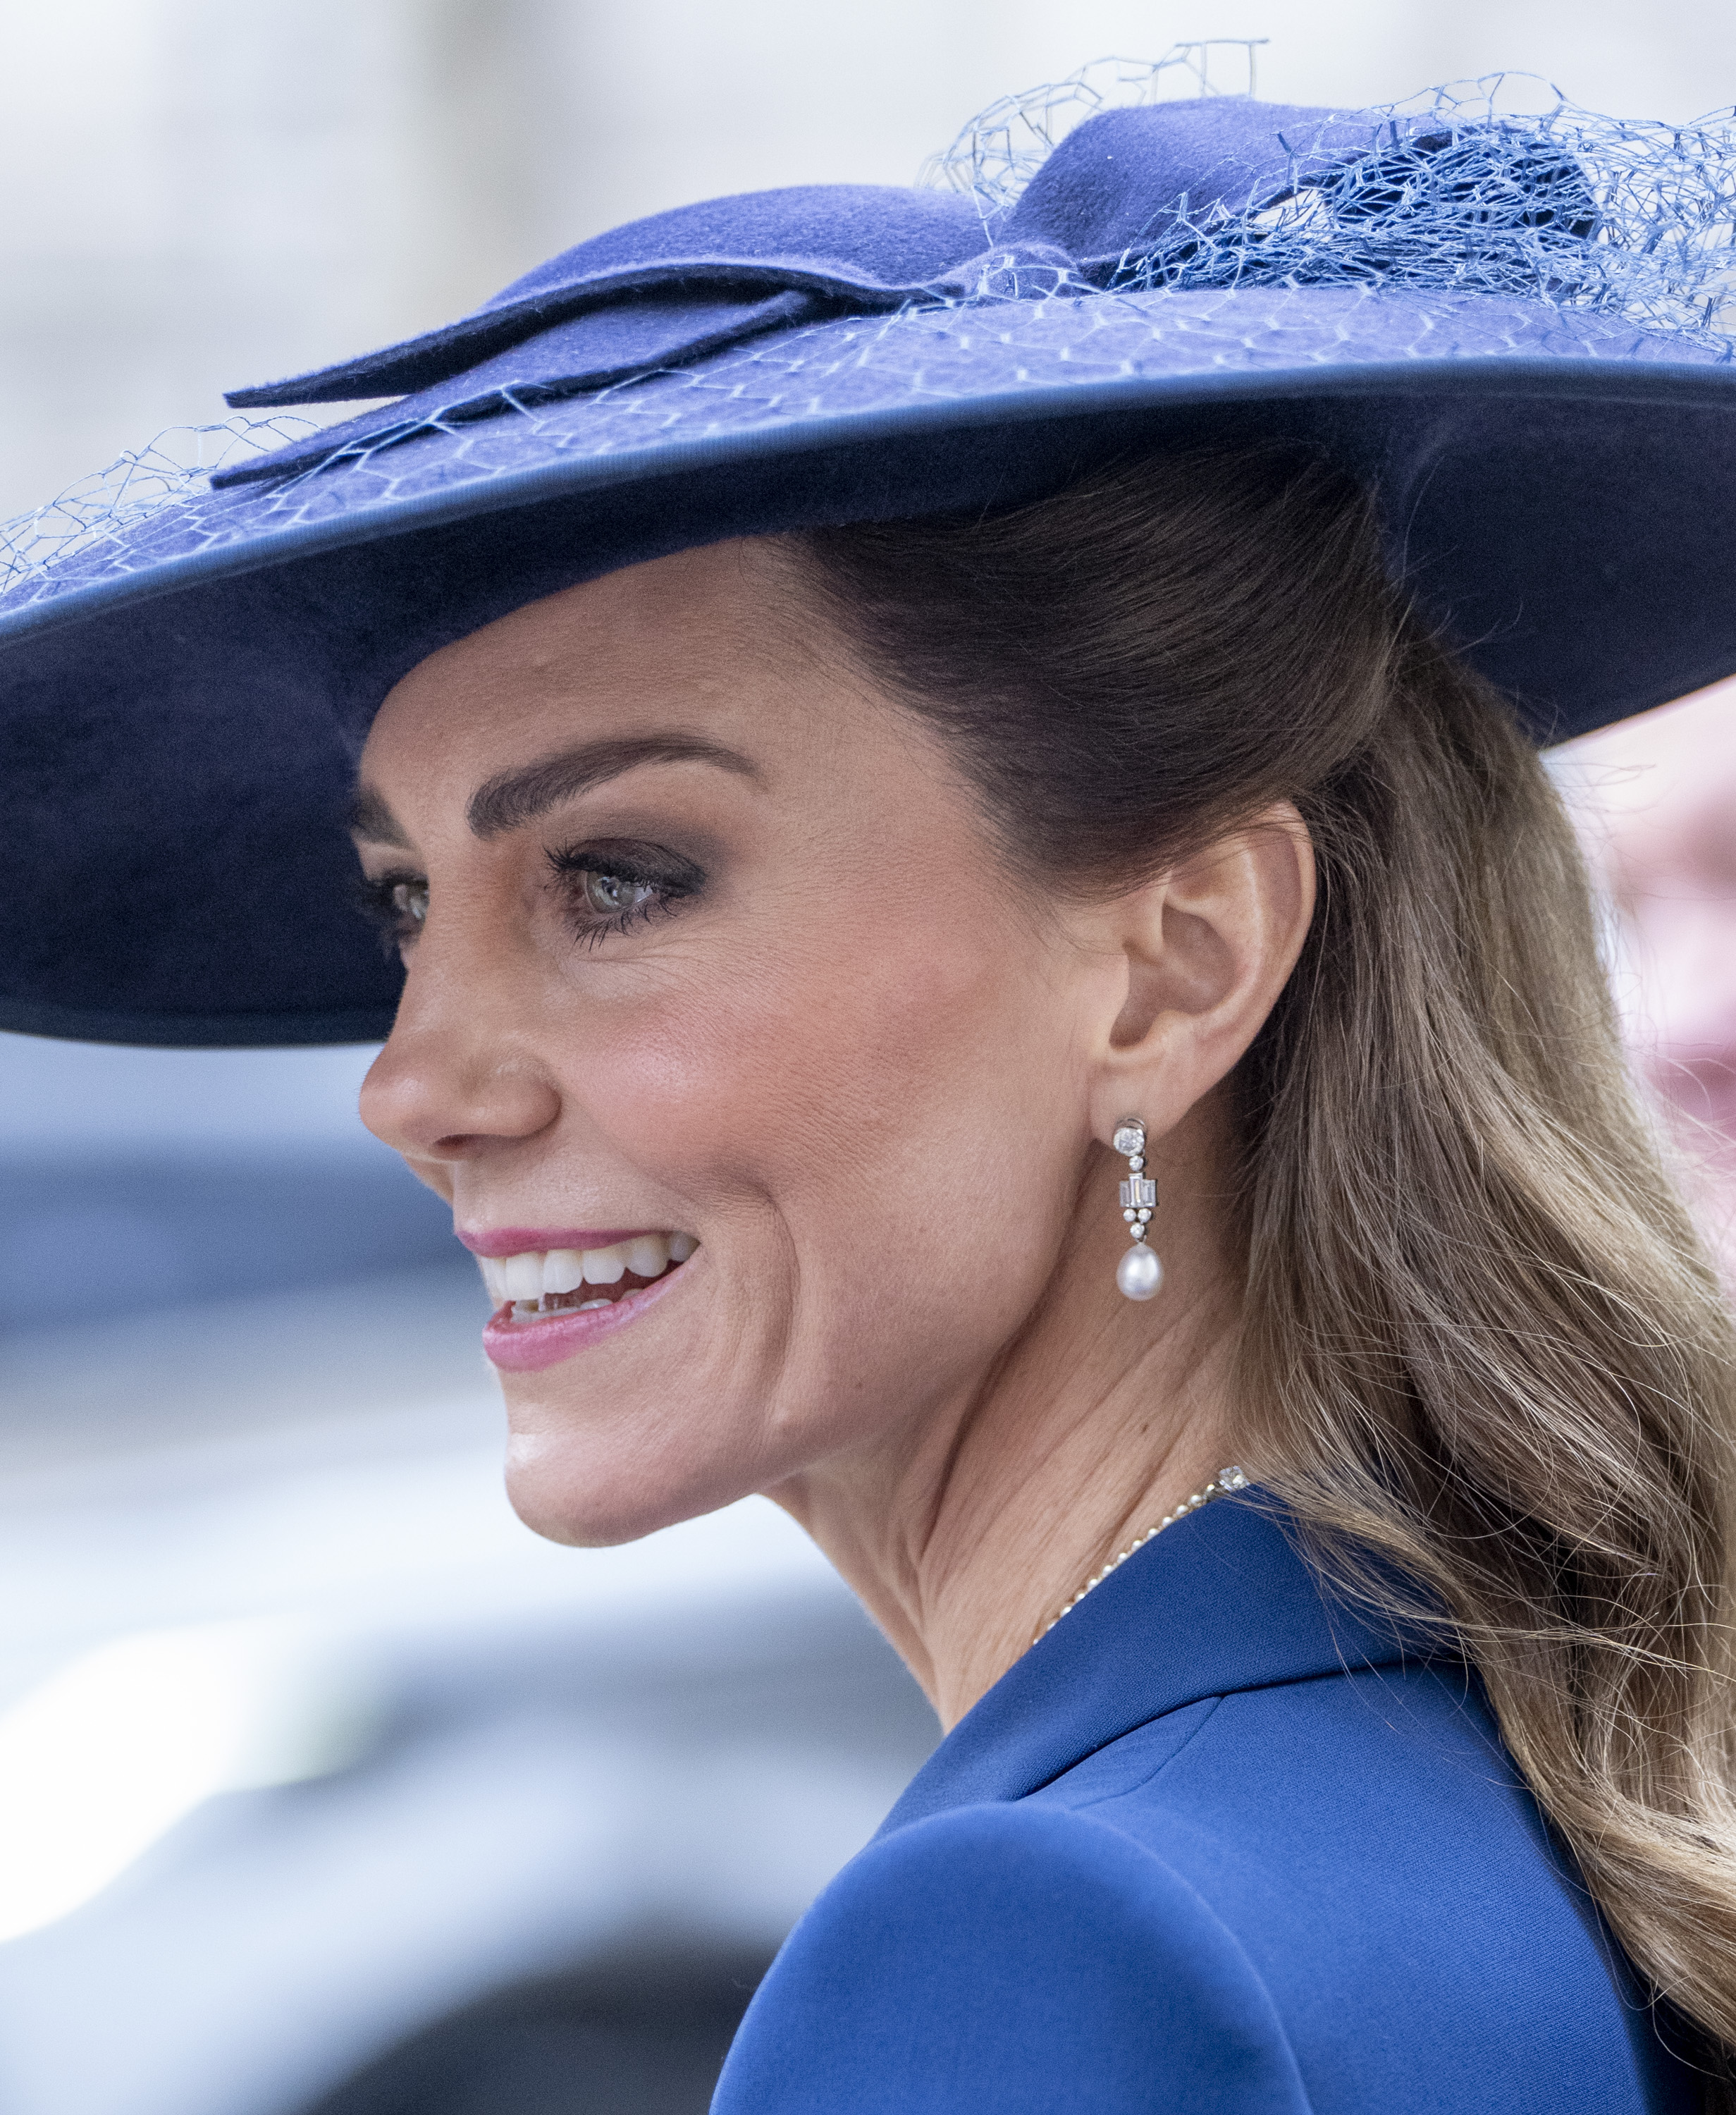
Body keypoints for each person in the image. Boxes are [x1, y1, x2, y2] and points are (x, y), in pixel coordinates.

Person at [4, 78, 1736, 2114]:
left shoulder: (1055, 1943)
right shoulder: (1500, 1786)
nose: (413, 1086)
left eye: (615, 879)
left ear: (1177, 960)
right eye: (404, 907)